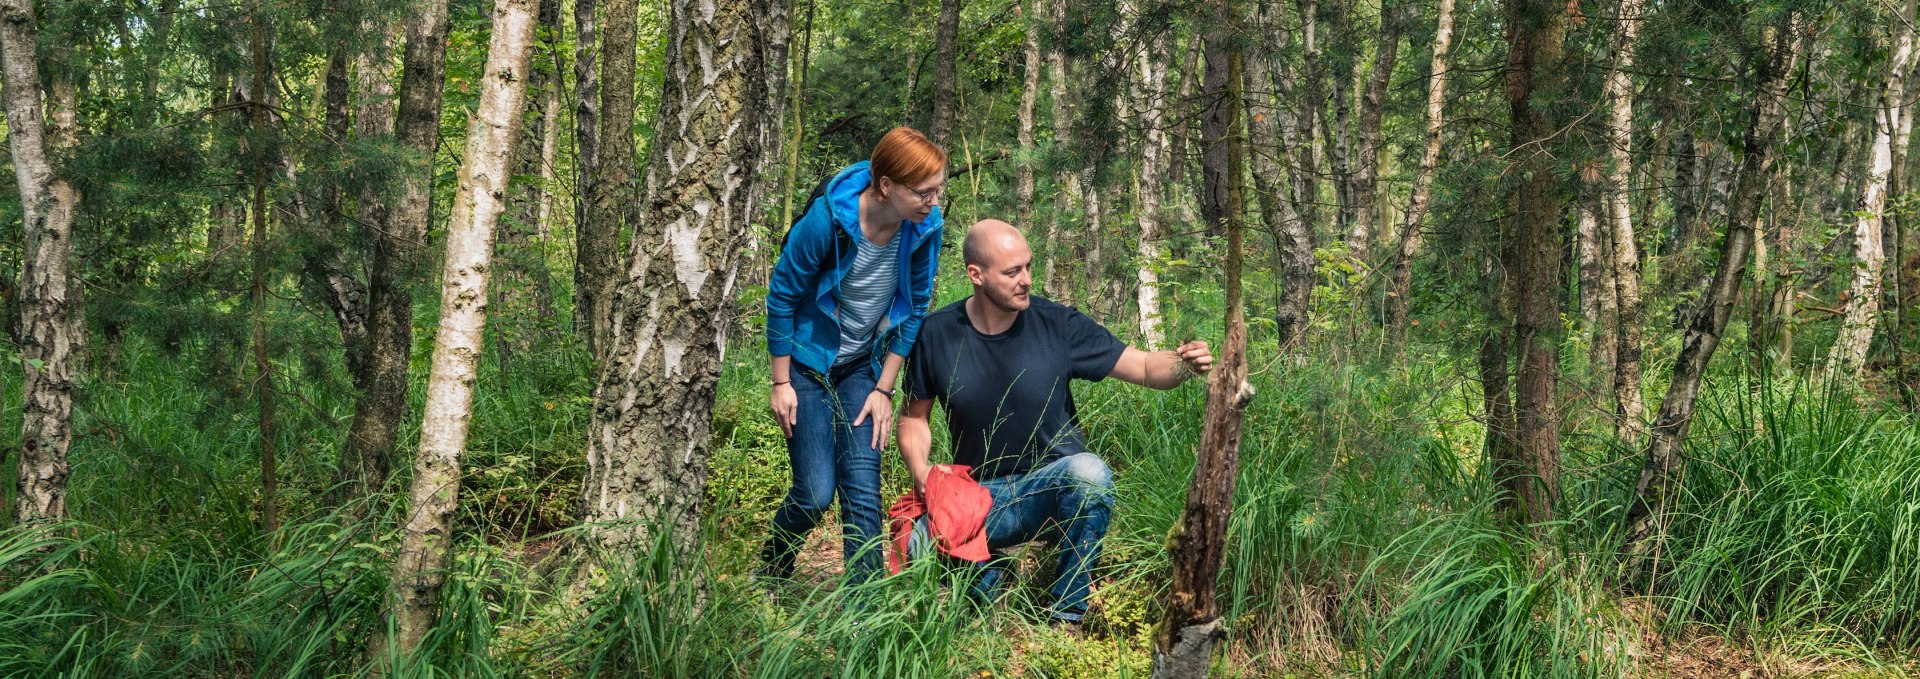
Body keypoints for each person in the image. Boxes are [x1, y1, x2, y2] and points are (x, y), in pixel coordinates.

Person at [898, 219, 1213, 624]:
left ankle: (1066, 616)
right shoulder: (937, 333)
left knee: (1089, 472)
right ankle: (989, 577)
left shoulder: (1057, 324)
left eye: (1028, 266)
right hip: (979, 498)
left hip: (1054, 491)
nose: (1026, 280)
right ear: (976, 275)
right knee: (912, 543)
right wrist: (920, 470)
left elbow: (1148, 369)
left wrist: (1184, 363)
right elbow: (913, 418)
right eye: (1012, 272)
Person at [761, 127, 948, 585]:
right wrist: (780, 383)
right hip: (806, 364)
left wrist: (884, 388)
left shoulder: (926, 227)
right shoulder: (828, 221)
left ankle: (862, 615)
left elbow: (917, 306)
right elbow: (782, 296)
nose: (933, 201)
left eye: (938, 190)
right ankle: (771, 569)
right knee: (815, 493)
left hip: (861, 367)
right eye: (923, 192)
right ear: (886, 186)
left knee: (863, 491)